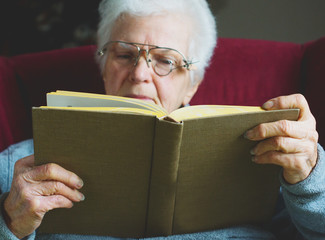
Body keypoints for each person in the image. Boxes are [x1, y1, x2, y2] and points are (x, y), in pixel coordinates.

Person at [1, 0, 324, 239]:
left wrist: (310, 177)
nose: (139, 74)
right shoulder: (22, 164)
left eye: (165, 60)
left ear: (193, 84)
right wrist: (9, 223)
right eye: (125, 55)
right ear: (103, 68)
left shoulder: (271, 154)